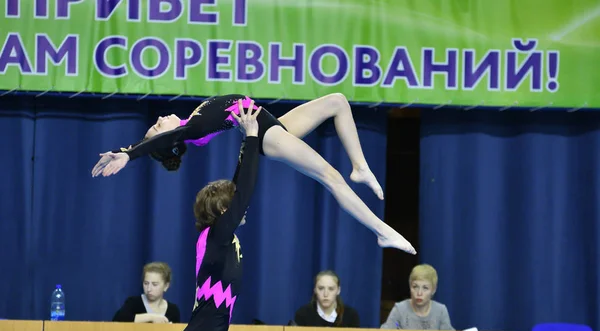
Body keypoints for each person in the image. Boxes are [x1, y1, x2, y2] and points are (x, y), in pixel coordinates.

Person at [91, 94, 416, 255]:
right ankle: (381, 230)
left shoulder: (193, 121)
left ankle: (360, 167)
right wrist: (128, 152)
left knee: (337, 101)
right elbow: (163, 141)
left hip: (272, 124)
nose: (161, 118)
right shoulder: (188, 132)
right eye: (157, 125)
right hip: (266, 135)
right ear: (170, 143)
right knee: (330, 176)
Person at [176, 104, 260, 331]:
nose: (242, 206)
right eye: (234, 205)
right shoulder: (214, 237)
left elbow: (239, 187)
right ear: (224, 211)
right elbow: (245, 190)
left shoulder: (223, 237)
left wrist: (246, 136)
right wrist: (251, 139)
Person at [380, 264, 454, 331]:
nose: (419, 293)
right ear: (410, 287)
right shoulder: (400, 310)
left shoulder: (440, 311)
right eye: (415, 287)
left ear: (433, 290)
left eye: (425, 288)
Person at [112, 261, 181, 323]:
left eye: (154, 284)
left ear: (166, 286)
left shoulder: (173, 310)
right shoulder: (133, 303)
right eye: (146, 283)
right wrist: (151, 317)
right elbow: (118, 319)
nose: (149, 289)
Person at [294, 270, 360, 328]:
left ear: (338, 290)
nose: (326, 294)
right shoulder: (303, 314)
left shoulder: (350, 315)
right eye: (321, 288)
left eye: (331, 289)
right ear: (315, 290)